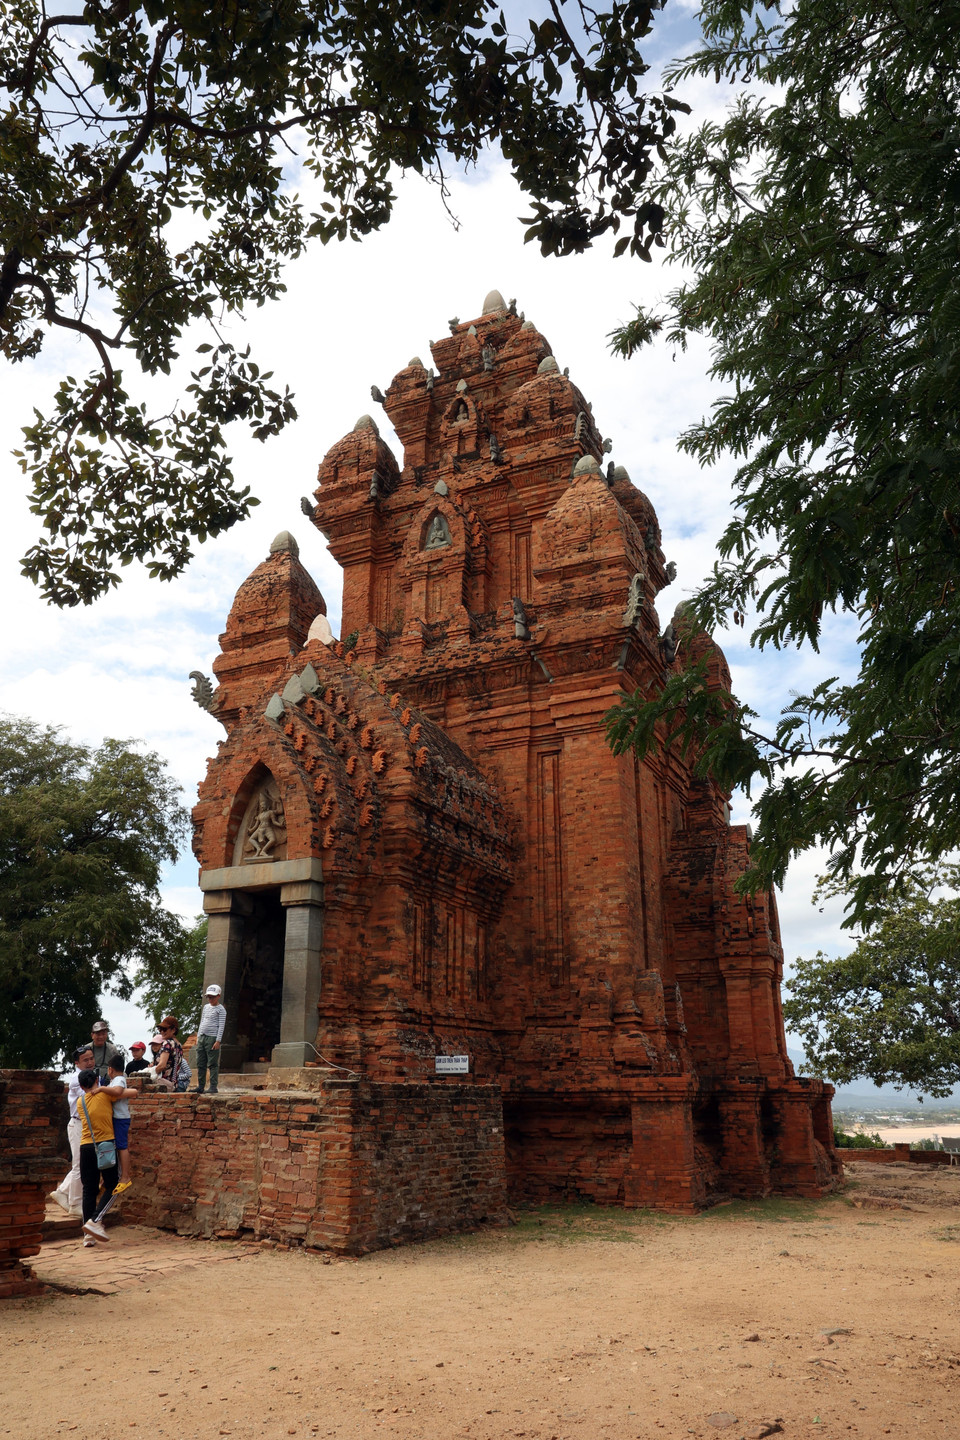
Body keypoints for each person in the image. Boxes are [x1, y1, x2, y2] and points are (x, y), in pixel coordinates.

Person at [75, 1067, 135, 1245]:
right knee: (114, 1185)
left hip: (86, 1146)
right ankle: (95, 1220)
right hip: (105, 1146)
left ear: (81, 1085)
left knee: (89, 1190)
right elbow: (132, 1092)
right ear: (96, 1081)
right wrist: (103, 1088)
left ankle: (88, 1235)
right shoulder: (105, 1095)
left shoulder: (80, 1101)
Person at [49, 1045, 95, 1216]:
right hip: (78, 1124)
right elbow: (93, 1094)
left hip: (86, 1126)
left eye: (91, 1058)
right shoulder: (78, 1079)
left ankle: (63, 1191)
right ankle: (75, 1204)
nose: (90, 1062)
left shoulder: (90, 1076)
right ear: (77, 1063)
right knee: (80, 1164)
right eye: (85, 1060)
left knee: (83, 1163)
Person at [104, 1056, 134, 1186]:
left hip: (120, 1118)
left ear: (110, 1069)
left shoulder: (119, 1080)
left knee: (122, 1146)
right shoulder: (117, 1079)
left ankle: (125, 1176)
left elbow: (117, 1091)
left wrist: (101, 1089)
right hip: (117, 1117)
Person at [194, 984, 227, 1095]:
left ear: (218, 996)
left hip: (212, 1038)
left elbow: (221, 1025)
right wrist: (198, 1036)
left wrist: (218, 1040)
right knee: (200, 1062)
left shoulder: (221, 1009)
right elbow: (202, 1022)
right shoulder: (206, 1007)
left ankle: (213, 1086)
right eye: (209, 997)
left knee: (212, 1063)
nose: (210, 999)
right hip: (202, 1036)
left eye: (212, 997)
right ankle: (201, 1086)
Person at [151, 1016, 184, 1091]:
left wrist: (149, 1072)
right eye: (160, 1029)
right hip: (174, 1085)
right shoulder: (178, 1045)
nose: (162, 1032)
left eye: (164, 1029)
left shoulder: (167, 1043)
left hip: (163, 1085)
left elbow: (162, 1065)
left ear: (173, 1030)